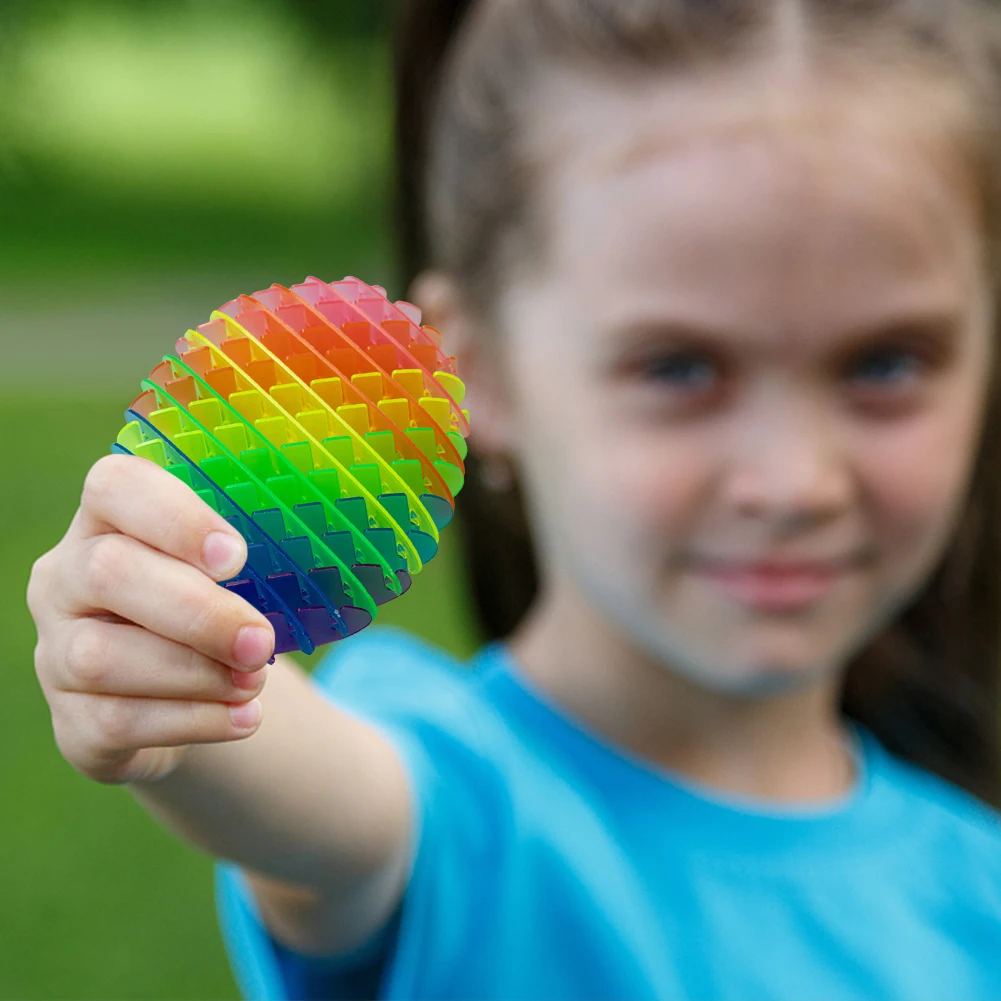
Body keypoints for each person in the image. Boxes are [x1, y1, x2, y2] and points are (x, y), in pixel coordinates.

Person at [26, 0, 1001, 997]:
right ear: (475, 373)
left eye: (884, 362)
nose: (795, 481)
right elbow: (317, 798)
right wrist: (165, 651)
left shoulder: (976, 891)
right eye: (676, 368)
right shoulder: (454, 799)